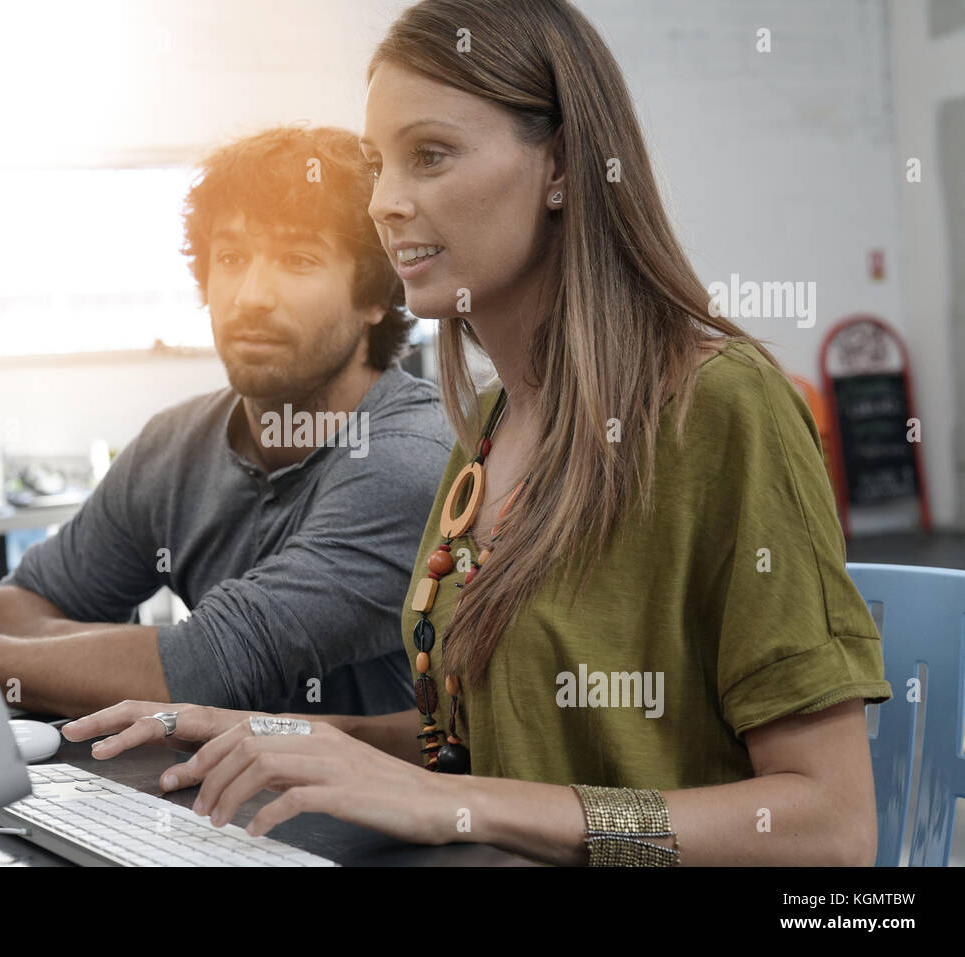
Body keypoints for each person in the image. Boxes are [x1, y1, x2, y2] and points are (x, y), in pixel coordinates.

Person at [65, 0, 892, 866]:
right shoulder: (488, 432)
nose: (385, 203)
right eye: (381, 165)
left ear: (564, 166)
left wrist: (454, 802)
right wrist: (277, 735)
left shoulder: (720, 407)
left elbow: (830, 828)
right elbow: (472, 763)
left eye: (431, 156)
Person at [0, 126, 454, 719]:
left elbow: (206, 671)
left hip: (371, 811)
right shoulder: (173, 445)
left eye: (298, 259)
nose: (251, 295)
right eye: (230, 258)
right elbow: (17, 605)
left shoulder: (411, 461)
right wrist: (104, 658)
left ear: (375, 296)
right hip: (204, 802)